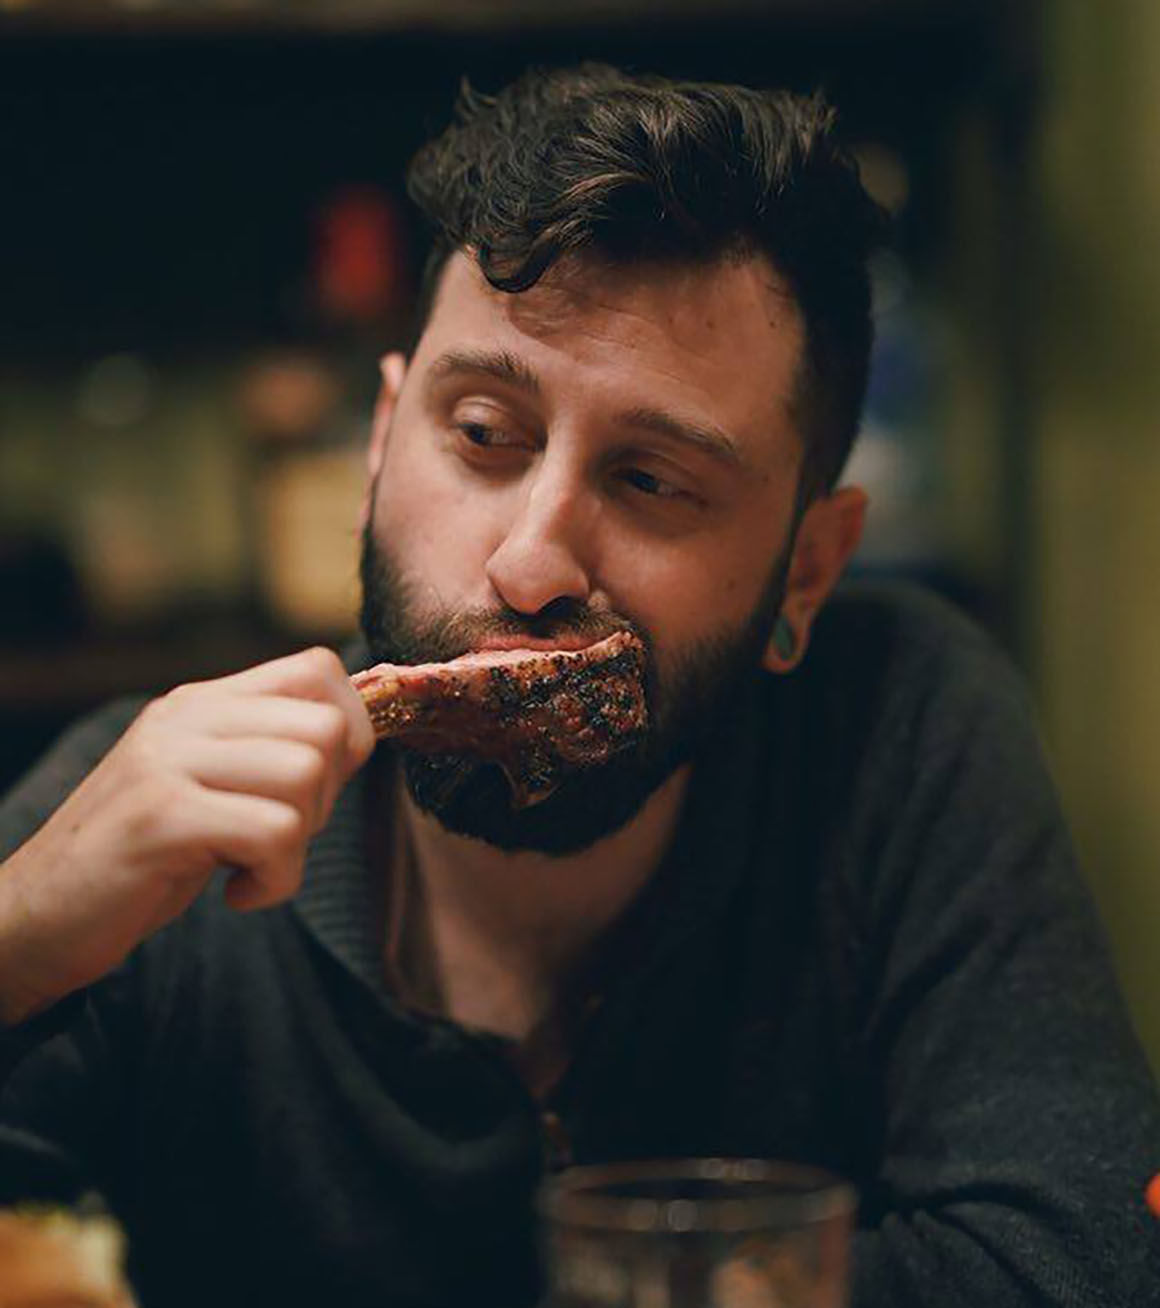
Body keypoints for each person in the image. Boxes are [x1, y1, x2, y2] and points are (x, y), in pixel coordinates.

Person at [0, 65, 1156, 1308]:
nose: (532, 560)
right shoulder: (154, 829)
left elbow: (1073, 1262)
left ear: (806, 568)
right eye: (483, 435)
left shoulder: (899, 729)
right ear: (383, 443)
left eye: (653, 482)